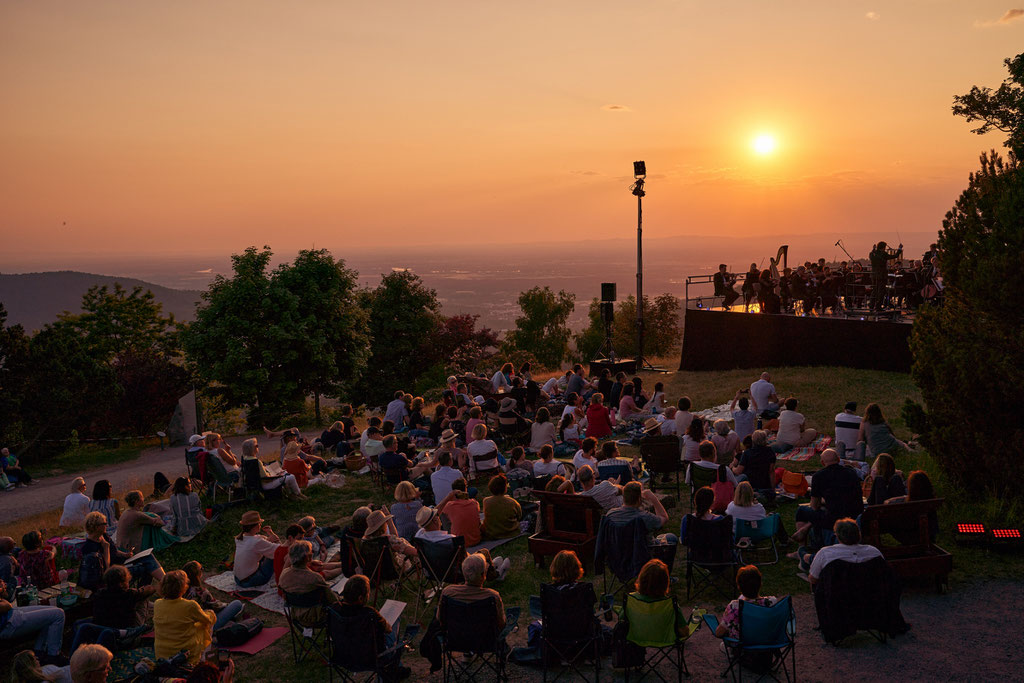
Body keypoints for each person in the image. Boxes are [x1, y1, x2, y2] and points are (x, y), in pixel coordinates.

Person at [331, 575, 411, 680]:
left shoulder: (334, 610)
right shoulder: (369, 613)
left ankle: (395, 669)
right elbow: (388, 630)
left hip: (343, 657)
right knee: (395, 621)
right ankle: (393, 670)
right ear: (360, 598)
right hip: (371, 659)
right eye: (368, 593)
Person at [793, 449, 864, 544]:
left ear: (822, 463)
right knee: (825, 509)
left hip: (832, 519)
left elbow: (814, 506)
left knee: (802, 511)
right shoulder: (851, 473)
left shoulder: (819, 476)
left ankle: (802, 548)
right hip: (855, 515)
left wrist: (823, 501)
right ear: (838, 460)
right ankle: (807, 529)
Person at [82, 511, 165, 584]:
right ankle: (165, 585)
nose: (106, 525)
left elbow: (114, 551)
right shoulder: (89, 547)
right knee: (145, 567)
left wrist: (125, 555)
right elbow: (106, 571)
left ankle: (165, 581)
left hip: (121, 562)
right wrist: (106, 548)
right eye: (104, 524)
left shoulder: (103, 536)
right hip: (114, 571)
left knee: (147, 556)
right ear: (97, 527)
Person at [153, 570, 215, 666]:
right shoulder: (190, 606)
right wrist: (210, 613)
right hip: (187, 656)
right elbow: (208, 620)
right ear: (183, 587)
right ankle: (203, 661)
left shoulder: (157, 604)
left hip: (162, 656)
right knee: (208, 620)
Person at [0, 578, 66, 665]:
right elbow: (6, 605)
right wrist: (1, 590)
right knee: (58, 614)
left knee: (54, 611)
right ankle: (53, 657)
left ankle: (39, 654)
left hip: (12, 613)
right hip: (9, 624)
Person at [278, 541, 341, 628]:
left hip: (295, 615)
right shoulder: (315, 578)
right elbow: (333, 600)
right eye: (311, 552)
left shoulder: (284, 574)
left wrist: (308, 563)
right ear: (308, 557)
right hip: (317, 617)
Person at [438, 553, 506, 631]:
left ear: (464, 572)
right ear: (483, 575)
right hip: (484, 641)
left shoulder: (448, 592)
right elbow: (501, 624)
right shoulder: (493, 596)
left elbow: (440, 619)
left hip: (455, 640)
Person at [808, 518, 883, 587]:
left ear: (837, 536)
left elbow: (813, 579)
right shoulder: (874, 552)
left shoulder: (825, 553)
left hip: (837, 598)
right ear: (859, 534)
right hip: (869, 596)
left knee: (805, 557)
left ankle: (802, 553)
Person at [628, 559, 691, 636]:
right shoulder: (670, 605)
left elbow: (622, 620)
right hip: (664, 639)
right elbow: (685, 632)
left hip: (637, 638)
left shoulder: (631, 599)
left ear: (641, 578)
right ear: (665, 582)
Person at [714, 565, 777, 639]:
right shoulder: (772, 602)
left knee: (723, 646)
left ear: (738, 587)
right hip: (768, 645)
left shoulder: (734, 606)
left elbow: (719, 633)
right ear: (760, 584)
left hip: (743, 648)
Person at [182, 561, 244, 632]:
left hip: (187, 627)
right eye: (201, 569)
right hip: (205, 628)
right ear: (198, 574)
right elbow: (218, 606)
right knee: (237, 604)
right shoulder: (201, 592)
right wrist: (227, 605)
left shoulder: (178, 591)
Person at [233, 510, 280, 588]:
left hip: (238, 580)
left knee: (266, 551)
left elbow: (258, 542)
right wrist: (272, 534)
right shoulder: (256, 542)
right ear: (256, 526)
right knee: (275, 555)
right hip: (250, 581)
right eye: (259, 523)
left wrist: (269, 538)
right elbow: (279, 550)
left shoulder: (238, 539)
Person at [730, 430, 777, 498]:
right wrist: (773, 489)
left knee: (735, 477)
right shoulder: (770, 452)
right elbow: (771, 471)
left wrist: (732, 468)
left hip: (749, 484)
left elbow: (738, 471)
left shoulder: (747, 453)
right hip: (764, 484)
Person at [437, 479, 482, 546]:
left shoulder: (449, 506)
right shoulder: (474, 503)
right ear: (466, 489)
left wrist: (448, 498)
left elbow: (434, 513)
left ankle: (448, 535)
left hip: (459, 544)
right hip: (476, 540)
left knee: (443, 514)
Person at [482, 475, 522, 540]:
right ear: (505, 488)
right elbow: (519, 516)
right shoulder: (512, 502)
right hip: (511, 532)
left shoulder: (486, 501)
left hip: (492, 534)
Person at [869, 241, 901, 311]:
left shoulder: (872, 254)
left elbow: (872, 256)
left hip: (874, 275)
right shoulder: (883, 254)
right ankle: (878, 306)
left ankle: (871, 305)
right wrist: (899, 249)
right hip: (882, 275)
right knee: (881, 291)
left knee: (874, 290)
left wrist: (873, 250)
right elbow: (895, 256)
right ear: (883, 247)